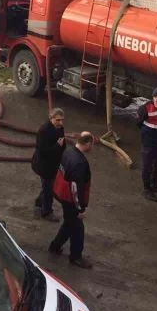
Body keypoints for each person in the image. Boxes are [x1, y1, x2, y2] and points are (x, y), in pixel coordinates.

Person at [49, 131, 94, 269]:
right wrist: (80, 209)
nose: (92, 147)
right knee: (78, 228)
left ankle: (55, 246)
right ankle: (75, 257)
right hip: (70, 200)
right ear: (87, 144)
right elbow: (75, 188)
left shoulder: (68, 152)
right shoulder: (79, 163)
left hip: (62, 194)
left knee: (69, 223)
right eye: (92, 144)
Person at [31, 108, 66, 222]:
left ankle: (40, 202)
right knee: (49, 189)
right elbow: (43, 150)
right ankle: (46, 213)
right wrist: (57, 146)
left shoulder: (59, 128)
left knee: (47, 186)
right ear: (51, 119)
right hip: (44, 166)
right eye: (58, 120)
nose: (60, 123)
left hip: (53, 164)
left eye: (62, 120)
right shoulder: (44, 131)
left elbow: (62, 143)